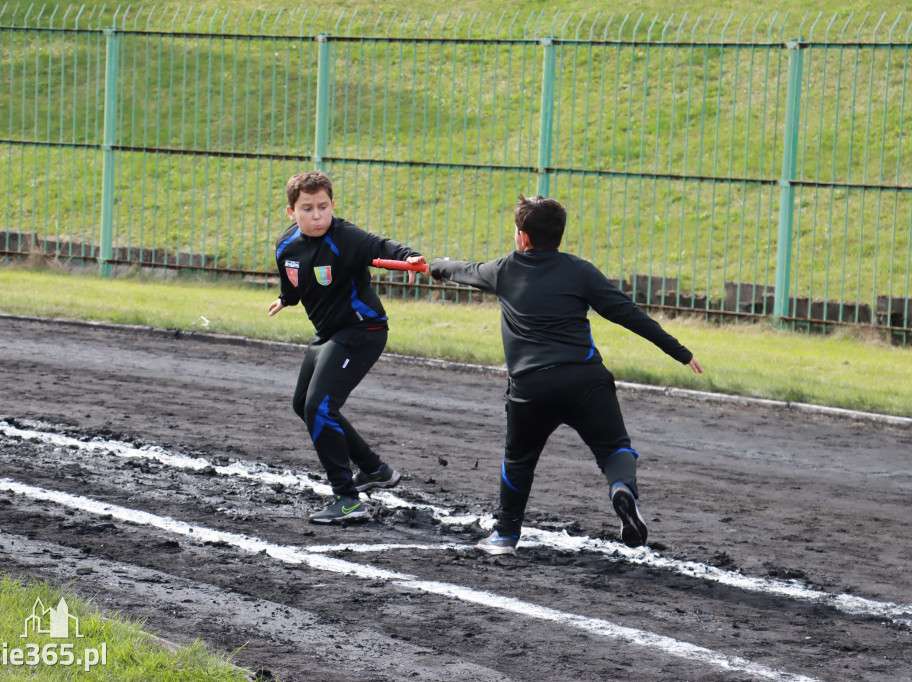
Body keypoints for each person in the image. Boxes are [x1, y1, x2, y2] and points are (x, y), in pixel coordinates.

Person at [429, 195, 703, 554]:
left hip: (531, 387)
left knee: (519, 459)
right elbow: (627, 313)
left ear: (523, 237)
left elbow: (462, 270)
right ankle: (621, 488)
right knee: (614, 449)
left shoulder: (504, 269)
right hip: (585, 381)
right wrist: (680, 352)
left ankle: (505, 535)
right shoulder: (579, 270)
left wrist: (434, 265)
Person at [269, 171, 426, 524]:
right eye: (307, 208)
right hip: (328, 334)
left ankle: (347, 499)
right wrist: (285, 300)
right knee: (304, 405)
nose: (317, 215)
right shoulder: (286, 245)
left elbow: (381, 246)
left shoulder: (345, 237)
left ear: (332, 205)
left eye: (323, 206)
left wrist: (410, 257)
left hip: (362, 331)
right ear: (291, 212)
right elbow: (293, 281)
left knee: (318, 407)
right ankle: (373, 469)